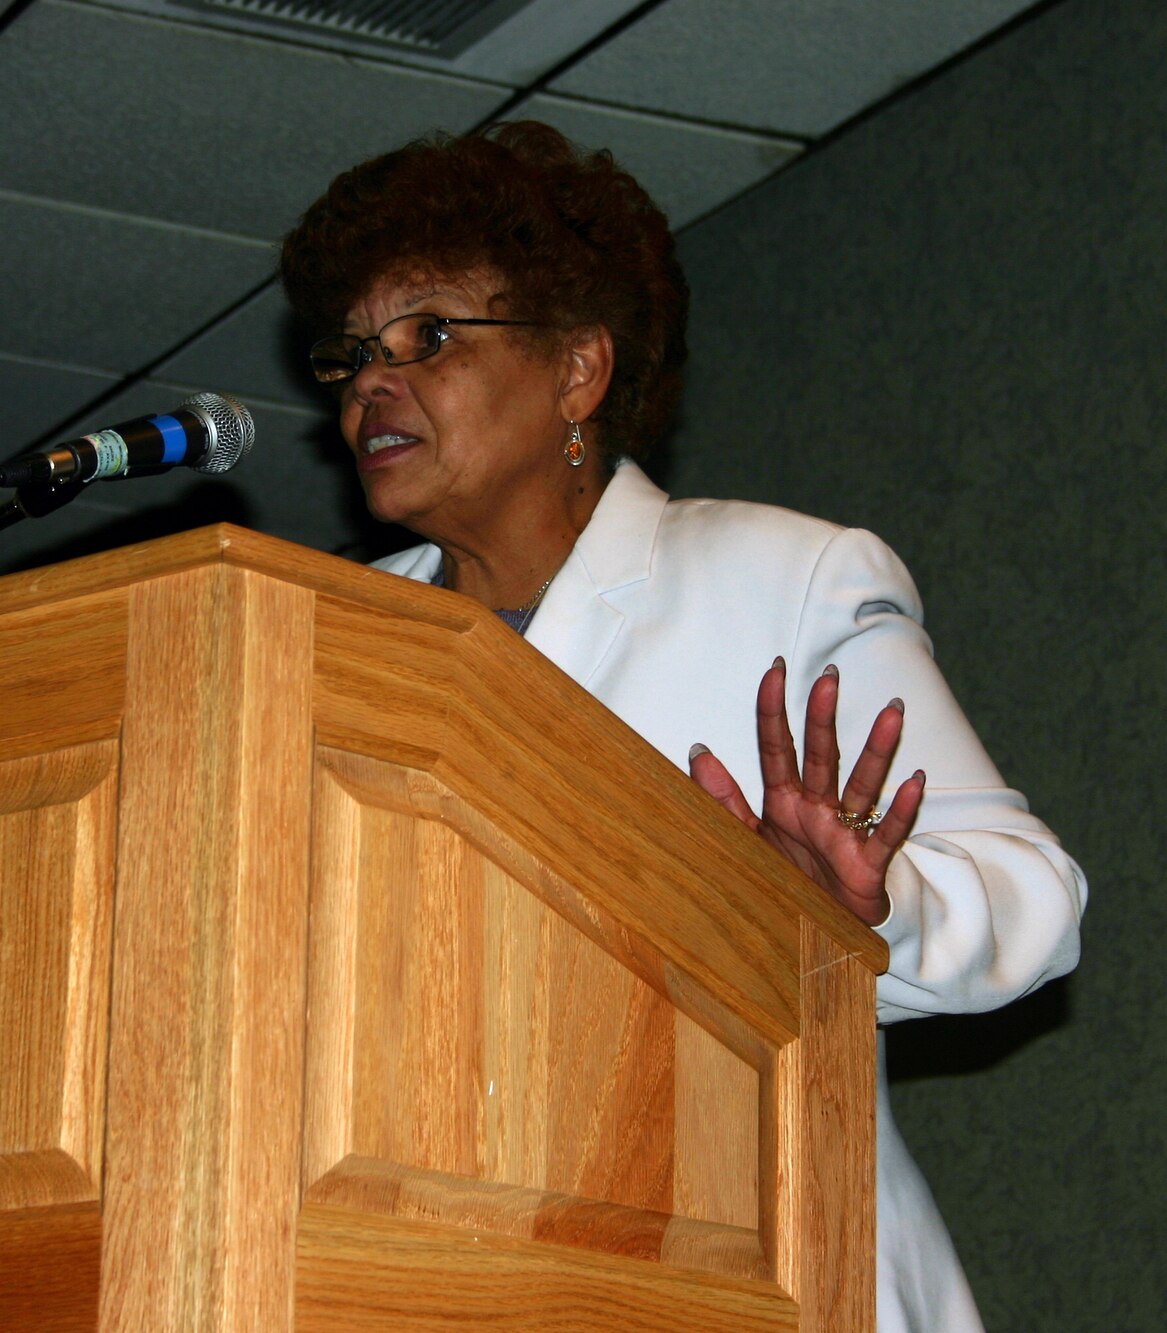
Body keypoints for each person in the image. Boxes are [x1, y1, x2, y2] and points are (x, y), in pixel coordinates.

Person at [278, 121, 1087, 1333]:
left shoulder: (780, 576)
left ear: (577, 372)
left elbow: (1035, 905)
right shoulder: (320, 640)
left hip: (762, 1280)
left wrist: (853, 913)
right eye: (350, 357)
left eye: (428, 338)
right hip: (433, 1277)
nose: (370, 387)